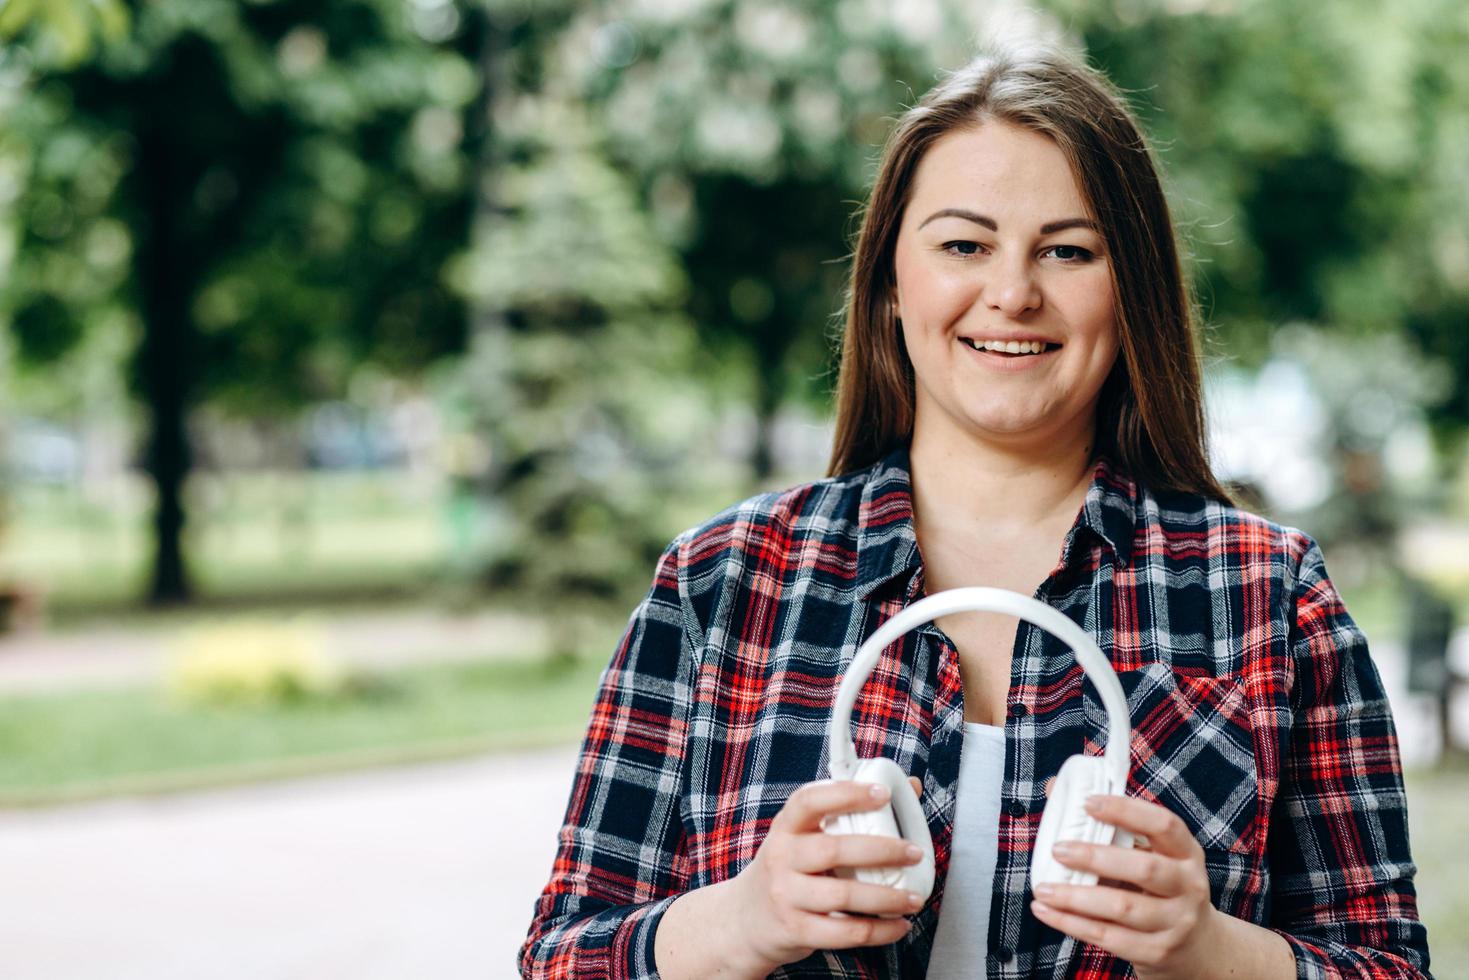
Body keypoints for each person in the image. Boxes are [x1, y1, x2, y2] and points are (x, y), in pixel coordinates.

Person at [518, 39, 1430, 979]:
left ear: (1132, 292)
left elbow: (1387, 964)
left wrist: (1208, 950)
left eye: (1067, 251)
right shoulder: (721, 583)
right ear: (888, 285)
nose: (1011, 294)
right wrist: (745, 920)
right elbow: (560, 957)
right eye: (963, 244)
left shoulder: (1270, 598)